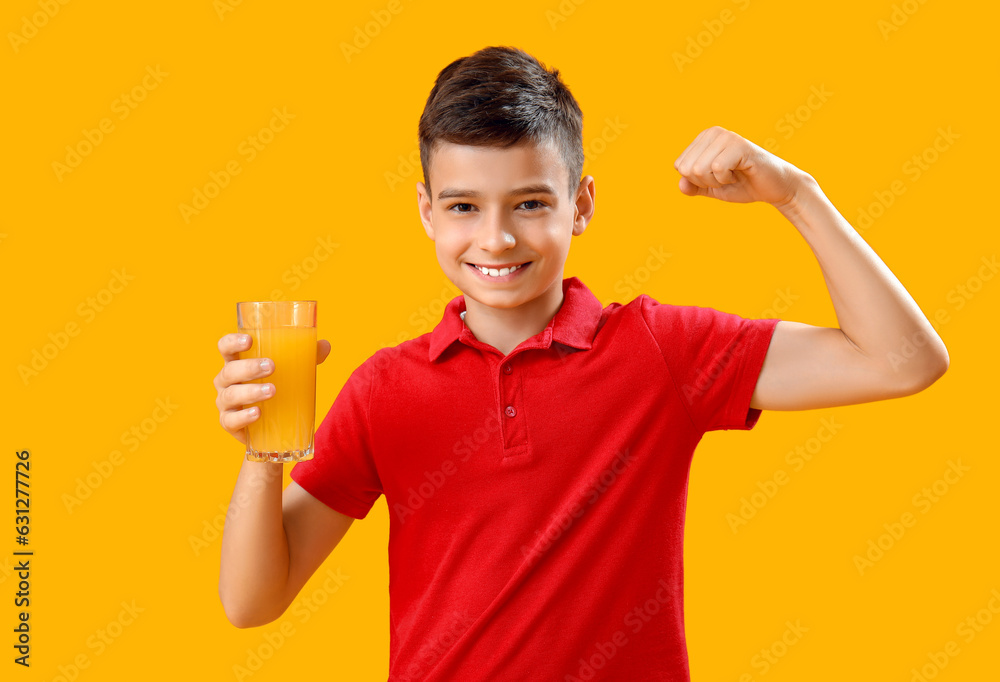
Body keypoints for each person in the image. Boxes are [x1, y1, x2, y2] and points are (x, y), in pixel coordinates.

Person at [213, 45, 948, 681]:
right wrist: (261, 453)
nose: (496, 239)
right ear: (427, 211)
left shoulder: (662, 351)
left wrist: (798, 194)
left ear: (582, 204)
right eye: (464, 207)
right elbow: (253, 601)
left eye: (530, 203)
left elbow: (900, 361)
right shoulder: (384, 388)